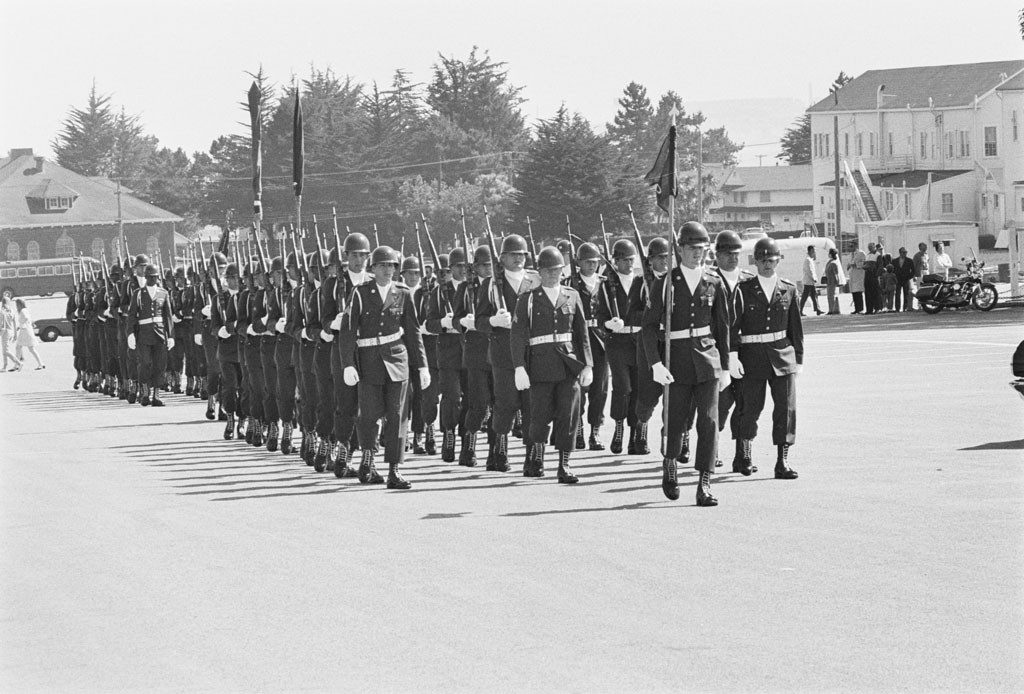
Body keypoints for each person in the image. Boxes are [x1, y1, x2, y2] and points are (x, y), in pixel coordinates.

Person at [642, 222, 730, 507]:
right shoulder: (666, 282)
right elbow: (648, 326)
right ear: (679, 249)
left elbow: (722, 327)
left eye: (702, 249)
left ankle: (704, 482)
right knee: (676, 421)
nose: (697, 254)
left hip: (707, 360)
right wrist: (655, 362)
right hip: (675, 359)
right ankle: (670, 463)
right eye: (692, 248)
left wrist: (726, 365)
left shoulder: (714, 281)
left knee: (708, 421)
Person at [339, 246, 429, 490]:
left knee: (398, 416)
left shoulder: (403, 293)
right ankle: (368, 460)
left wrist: (422, 366)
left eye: (392, 266)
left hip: (397, 360)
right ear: (373, 268)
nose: (388, 270)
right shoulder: (360, 293)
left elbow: (413, 331)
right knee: (369, 415)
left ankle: (394, 469)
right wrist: (347, 363)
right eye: (383, 265)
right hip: (369, 360)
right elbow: (348, 331)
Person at [511, 246, 594, 482]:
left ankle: (564, 464)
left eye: (557, 270)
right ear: (539, 272)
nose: (553, 275)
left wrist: (588, 364)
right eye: (548, 271)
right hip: (540, 364)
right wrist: (519, 366)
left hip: (568, 364)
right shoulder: (528, 299)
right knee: (539, 414)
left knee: (569, 414)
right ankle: (536, 457)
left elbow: (582, 333)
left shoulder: (572, 295)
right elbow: (517, 334)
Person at [731, 237, 802, 481]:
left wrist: (798, 359)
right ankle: (745, 454)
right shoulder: (743, 289)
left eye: (772, 260)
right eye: (762, 260)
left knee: (786, 410)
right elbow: (733, 326)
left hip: (783, 356)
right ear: (755, 262)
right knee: (750, 408)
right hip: (752, 356)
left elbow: (796, 328)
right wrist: (732, 356)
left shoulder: (788, 288)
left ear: (778, 260)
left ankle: (782, 460)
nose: (767, 264)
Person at [596, 239, 640, 454]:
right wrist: (607, 324)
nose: (628, 264)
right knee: (623, 387)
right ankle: (619, 427)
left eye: (631, 259)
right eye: (623, 260)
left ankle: (635, 434)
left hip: (638, 342)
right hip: (617, 343)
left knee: (639, 389)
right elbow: (599, 315)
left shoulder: (642, 282)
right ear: (615, 261)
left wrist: (636, 320)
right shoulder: (606, 285)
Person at [126, 264, 172, 405]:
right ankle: (145, 392)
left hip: (159, 333)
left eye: (155, 277)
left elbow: (168, 315)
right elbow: (132, 315)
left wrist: (170, 335)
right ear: (145, 278)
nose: (153, 279)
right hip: (144, 333)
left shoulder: (163, 293)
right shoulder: (138, 294)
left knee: (159, 365)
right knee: (145, 363)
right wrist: (130, 334)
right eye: (150, 277)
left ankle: (156, 395)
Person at [13, 298, 45, 370]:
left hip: (25, 332)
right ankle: (40, 363)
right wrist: (20, 326)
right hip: (26, 331)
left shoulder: (22, 311)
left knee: (20, 348)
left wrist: (22, 325)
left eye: (17, 304)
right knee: (28, 349)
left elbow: (26, 319)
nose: (16, 306)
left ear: (19, 304)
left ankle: (17, 365)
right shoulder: (25, 310)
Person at [799, 245, 824, 316]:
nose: (814, 252)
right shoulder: (808, 260)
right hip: (808, 281)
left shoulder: (810, 259)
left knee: (814, 295)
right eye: (813, 250)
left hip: (810, 281)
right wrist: (814, 278)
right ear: (809, 251)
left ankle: (818, 309)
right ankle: (800, 311)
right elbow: (809, 270)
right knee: (805, 296)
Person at [892, 247, 915, 312]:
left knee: (906, 294)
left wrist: (909, 277)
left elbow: (913, 271)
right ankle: (897, 308)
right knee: (897, 294)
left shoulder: (909, 260)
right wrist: (894, 277)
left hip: (905, 279)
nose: (905, 254)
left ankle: (905, 307)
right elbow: (892, 270)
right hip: (898, 279)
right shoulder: (894, 261)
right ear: (900, 253)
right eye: (903, 252)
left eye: (906, 252)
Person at [1, 294, 19, 371]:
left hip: (5, 332)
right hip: (11, 331)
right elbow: (15, 324)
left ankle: (18, 363)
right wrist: (15, 334)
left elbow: (2, 324)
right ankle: (5, 366)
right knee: (5, 349)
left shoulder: (2, 311)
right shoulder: (12, 311)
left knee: (6, 350)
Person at [824, 248, 844, 315]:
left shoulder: (833, 263)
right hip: (829, 281)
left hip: (832, 282)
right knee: (829, 296)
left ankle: (833, 310)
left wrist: (837, 282)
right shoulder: (830, 262)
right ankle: (830, 309)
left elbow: (836, 274)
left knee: (832, 296)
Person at [863, 242, 881, 315]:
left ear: (874, 247)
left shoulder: (877, 255)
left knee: (875, 292)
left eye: (871, 246)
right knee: (867, 292)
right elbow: (865, 264)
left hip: (874, 275)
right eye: (869, 247)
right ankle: (869, 309)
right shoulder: (867, 255)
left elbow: (880, 266)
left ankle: (877, 308)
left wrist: (876, 274)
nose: (870, 248)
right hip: (867, 274)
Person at [848, 241, 866, 314]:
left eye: (852, 246)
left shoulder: (861, 253)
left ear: (855, 246)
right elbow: (849, 263)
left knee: (858, 292)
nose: (850, 248)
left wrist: (856, 265)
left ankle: (860, 308)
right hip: (852, 275)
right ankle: (856, 308)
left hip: (859, 275)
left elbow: (864, 263)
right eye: (850, 246)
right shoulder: (850, 255)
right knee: (854, 292)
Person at [912, 242, 930, 310]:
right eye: (924, 246)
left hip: (926, 273)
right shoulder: (917, 255)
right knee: (920, 289)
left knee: (927, 289)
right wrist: (913, 275)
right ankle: (919, 305)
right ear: (920, 248)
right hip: (919, 274)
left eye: (926, 246)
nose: (926, 247)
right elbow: (914, 265)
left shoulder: (926, 255)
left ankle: (926, 304)